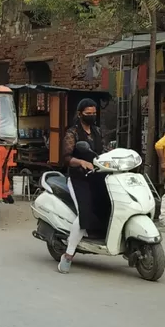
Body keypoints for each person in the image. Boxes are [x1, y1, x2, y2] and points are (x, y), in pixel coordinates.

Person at [56, 98, 107, 274]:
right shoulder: (73, 133)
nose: (92, 116)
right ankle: (68, 255)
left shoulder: (98, 131)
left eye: (94, 113)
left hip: (98, 178)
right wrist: (82, 162)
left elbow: (104, 153)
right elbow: (66, 158)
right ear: (80, 114)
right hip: (79, 179)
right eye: (88, 114)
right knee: (84, 215)